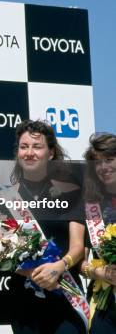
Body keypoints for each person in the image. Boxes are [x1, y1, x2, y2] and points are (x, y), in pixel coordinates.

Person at [3, 120, 86, 334]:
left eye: (37, 147)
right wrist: (37, 274)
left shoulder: (72, 193)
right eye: (24, 147)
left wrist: (59, 267)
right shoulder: (4, 198)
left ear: (50, 153)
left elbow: (77, 247)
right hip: (25, 300)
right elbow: (2, 254)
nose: (29, 153)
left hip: (66, 293)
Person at [80, 133, 116, 333]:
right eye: (97, 163)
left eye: (109, 159)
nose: (103, 167)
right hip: (104, 303)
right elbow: (81, 261)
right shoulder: (90, 204)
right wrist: (98, 272)